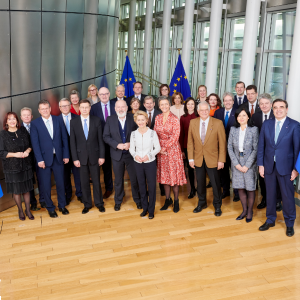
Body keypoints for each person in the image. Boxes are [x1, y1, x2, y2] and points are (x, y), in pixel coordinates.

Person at [257, 99, 300, 237]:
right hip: (269, 166)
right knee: (270, 195)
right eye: (275, 107)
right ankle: (270, 220)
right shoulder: (267, 124)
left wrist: (296, 169)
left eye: (281, 107)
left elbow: (298, 149)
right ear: (272, 109)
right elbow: (261, 146)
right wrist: (261, 165)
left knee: (287, 197)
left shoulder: (294, 125)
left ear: (286, 109)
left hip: (286, 168)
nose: (278, 110)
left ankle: (289, 223)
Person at [30, 99, 70, 218]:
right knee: (46, 185)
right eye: (42, 109)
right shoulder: (35, 124)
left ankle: (62, 205)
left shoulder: (58, 119)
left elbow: (64, 139)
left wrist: (66, 154)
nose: (45, 110)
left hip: (58, 157)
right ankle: (50, 207)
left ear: (50, 108)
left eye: (47, 108)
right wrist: (39, 160)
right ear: (39, 111)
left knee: (61, 183)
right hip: (44, 160)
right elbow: (35, 144)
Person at [187, 101, 226, 216]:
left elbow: (222, 144)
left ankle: (217, 205)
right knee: (200, 183)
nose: (204, 112)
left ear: (209, 110)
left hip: (214, 159)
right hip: (198, 158)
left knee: (215, 183)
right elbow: (190, 142)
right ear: (198, 111)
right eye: (201, 110)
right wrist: (190, 159)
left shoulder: (218, 123)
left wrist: (221, 160)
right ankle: (202, 202)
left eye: (206, 110)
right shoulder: (192, 122)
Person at [103, 100, 142, 211]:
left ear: (126, 107)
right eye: (118, 107)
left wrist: (131, 143)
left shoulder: (132, 118)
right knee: (118, 180)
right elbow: (105, 136)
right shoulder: (110, 119)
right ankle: (118, 201)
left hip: (131, 155)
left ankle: (138, 200)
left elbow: (139, 133)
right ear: (115, 109)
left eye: (123, 107)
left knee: (134, 180)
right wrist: (117, 145)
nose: (120, 109)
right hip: (117, 155)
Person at [70, 99, 106, 214]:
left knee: (96, 181)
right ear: (79, 109)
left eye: (87, 107)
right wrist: (75, 158)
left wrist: (102, 156)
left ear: (90, 108)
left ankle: (99, 203)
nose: (84, 109)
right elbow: (72, 142)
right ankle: (87, 204)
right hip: (81, 157)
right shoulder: (74, 122)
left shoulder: (96, 120)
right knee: (84, 182)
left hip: (95, 155)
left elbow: (100, 140)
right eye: (82, 107)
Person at [0, 112, 35, 221]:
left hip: (26, 164)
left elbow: (30, 145)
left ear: (17, 120)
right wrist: (15, 154)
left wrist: (28, 151)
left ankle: (28, 210)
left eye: (14, 119)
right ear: (6, 122)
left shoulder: (23, 130)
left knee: (26, 189)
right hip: (12, 167)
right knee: (16, 190)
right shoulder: (3, 134)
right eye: (9, 119)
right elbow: (1, 152)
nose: (12, 121)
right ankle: (20, 210)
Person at [154, 96, 187, 213]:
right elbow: (154, 134)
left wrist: (164, 147)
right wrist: (158, 148)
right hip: (160, 151)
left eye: (165, 104)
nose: (164, 106)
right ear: (159, 106)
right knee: (165, 176)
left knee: (173, 176)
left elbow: (175, 136)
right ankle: (168, 200)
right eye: (161, 104)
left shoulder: (174, 118)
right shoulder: (157, 117)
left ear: (169, 105)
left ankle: (176, 200)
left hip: (172, 151)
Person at [227, 108, 259, 223]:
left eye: (244, 115)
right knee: (240, 187)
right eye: (239, 116)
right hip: (237, 163)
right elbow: (229, 147)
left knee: (250, 188)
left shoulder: (254, 130)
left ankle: (250, 211)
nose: (241, 118)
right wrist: (236, 164)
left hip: (249, 164)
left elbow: (256, 149)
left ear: (248, 117)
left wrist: (247, 165)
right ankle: (244, 210)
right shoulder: (233, 129)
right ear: (236, 118)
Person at [129, 111, 161, 219]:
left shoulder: (152, 133)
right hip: (138, 163)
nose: (141, 122)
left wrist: (149, 155)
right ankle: (145, 208)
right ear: (136, 121)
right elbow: (131, 149)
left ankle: (151, 210)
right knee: (141, 186)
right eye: (139, 120)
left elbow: (157, 148)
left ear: (147, 120)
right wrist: (135, 156)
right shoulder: (133, 134)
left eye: (143, 120)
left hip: (150, 163)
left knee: (151, 186)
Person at [90, 87, 116, 199]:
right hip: (101, 142)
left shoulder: (116, 105)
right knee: (106, 168)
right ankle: (109, 188)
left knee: (118, 167)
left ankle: (120, 189)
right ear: (98, 95)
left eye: (106, 93)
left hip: (115, 141)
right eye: (102, 94)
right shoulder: (94, 108)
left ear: (109, 94)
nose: (104, 96)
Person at [251, 93, 276, 210]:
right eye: (261, 103)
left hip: (274, 153)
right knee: (262, 178)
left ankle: (276, 201)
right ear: (259, 105)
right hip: (260, 152)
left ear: (271, 104)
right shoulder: (255, 117)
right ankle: (265, 199)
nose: (264, 105)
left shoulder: (276, 115)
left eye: (266, 103)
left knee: (275, 178)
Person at [214, 92, 239, 201]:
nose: (228, 102)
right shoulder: (218, 112)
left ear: (233, 102)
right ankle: (226, 191)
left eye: (230, 100)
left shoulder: (238, 112)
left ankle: (237, 193)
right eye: (226, 100)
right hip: (221, 147)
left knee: (235, 170)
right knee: (223, 170)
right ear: (223, 102)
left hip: (234, 147)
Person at [20, 107, 45, 210]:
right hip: (26, 159)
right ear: (21, 117)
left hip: (39, 156)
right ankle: (33, 202)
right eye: (24, 115)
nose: (26, 117)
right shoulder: (18, 128)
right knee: (29, 181)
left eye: (28, 115)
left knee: (42, 179)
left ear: (32, 116)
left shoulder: (37, 125)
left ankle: (43, 200)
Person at [58, 98, 82, 205]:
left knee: (78, 175)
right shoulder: (55, 120)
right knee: (65, 176)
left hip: (77, 152)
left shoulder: (78, 118)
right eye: (62, 106)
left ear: (70, 106)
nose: (65, 108)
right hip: (63, 154)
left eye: (67, 105)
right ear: (59, 108)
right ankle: (68, 195)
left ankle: (80, 194)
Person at [143, 95, 165, 196]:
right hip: (145, 146)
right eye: (147, 103)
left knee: (160, 168)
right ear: (144, 104)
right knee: (147, 169)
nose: (149, 105)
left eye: (151, 103)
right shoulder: (141, 115)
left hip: (158, 145)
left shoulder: (160, 114)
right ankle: (147, 190)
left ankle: (162, 189)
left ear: (154, 104)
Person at [179, 97, 198, 199]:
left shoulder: (199, 116)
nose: (190, 106)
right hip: (187, 146)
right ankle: (192, 190)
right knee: (190, 169)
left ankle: (199, 188)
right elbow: (181, 134)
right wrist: (182, 149)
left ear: (195, 105)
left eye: (192, 104)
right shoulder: (183, 117)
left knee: (199, 168)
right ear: (186, 106)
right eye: (188, 104)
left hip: (199, 146)